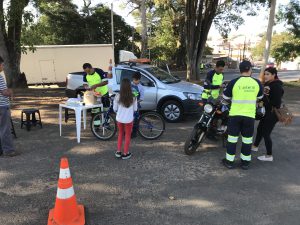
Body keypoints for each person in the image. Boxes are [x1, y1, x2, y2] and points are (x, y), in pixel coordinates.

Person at [222, 60, 263, 170]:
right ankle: (245, 163)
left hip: (235, 115)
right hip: (249, 116)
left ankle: (229, 162)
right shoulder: (257, 83)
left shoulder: (234, 82)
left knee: (232, 139)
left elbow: (225, 98)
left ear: (240, 70)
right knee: (247, 140)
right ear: (250, 69)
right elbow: (260, 98)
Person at [252, 68, 283, 162]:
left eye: (268, 74)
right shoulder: (268, 84)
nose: (265, 76)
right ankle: (255, 146)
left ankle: (269, 155)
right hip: (266, 112)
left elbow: (276, 103)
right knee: (260, 129)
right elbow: (265, 97)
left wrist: (263, 103)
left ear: (274, 75)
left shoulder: (276, 86)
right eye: (265, 74)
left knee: (266, 133)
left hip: (272, 114)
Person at [113, 78, 138, 160]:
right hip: (129, 120)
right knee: (127, 135)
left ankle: (118, 151)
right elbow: (135, 109)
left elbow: (114, 108)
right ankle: (125, 153)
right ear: (130, 86)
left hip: (119, 119)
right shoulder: (133, 96)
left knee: (120, 134)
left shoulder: (117, 96)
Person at [0, 56, 18, 157]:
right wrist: (10, 91)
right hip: (2, 106)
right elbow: (4, 92)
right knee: (5, 129)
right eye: (1, 64)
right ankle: (8, 150)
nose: (2, 66)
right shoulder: (0, 77)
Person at [131, 72, 145, 137]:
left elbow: (142, 98)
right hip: (129, 105)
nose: (135, 81)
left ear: (139, 79)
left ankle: (134, 133)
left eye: (137, 80)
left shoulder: (141, 87)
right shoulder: (129, 85)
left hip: (136, 106)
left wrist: (136, 102)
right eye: (134, 80)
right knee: (129, 119)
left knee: (136, 120)